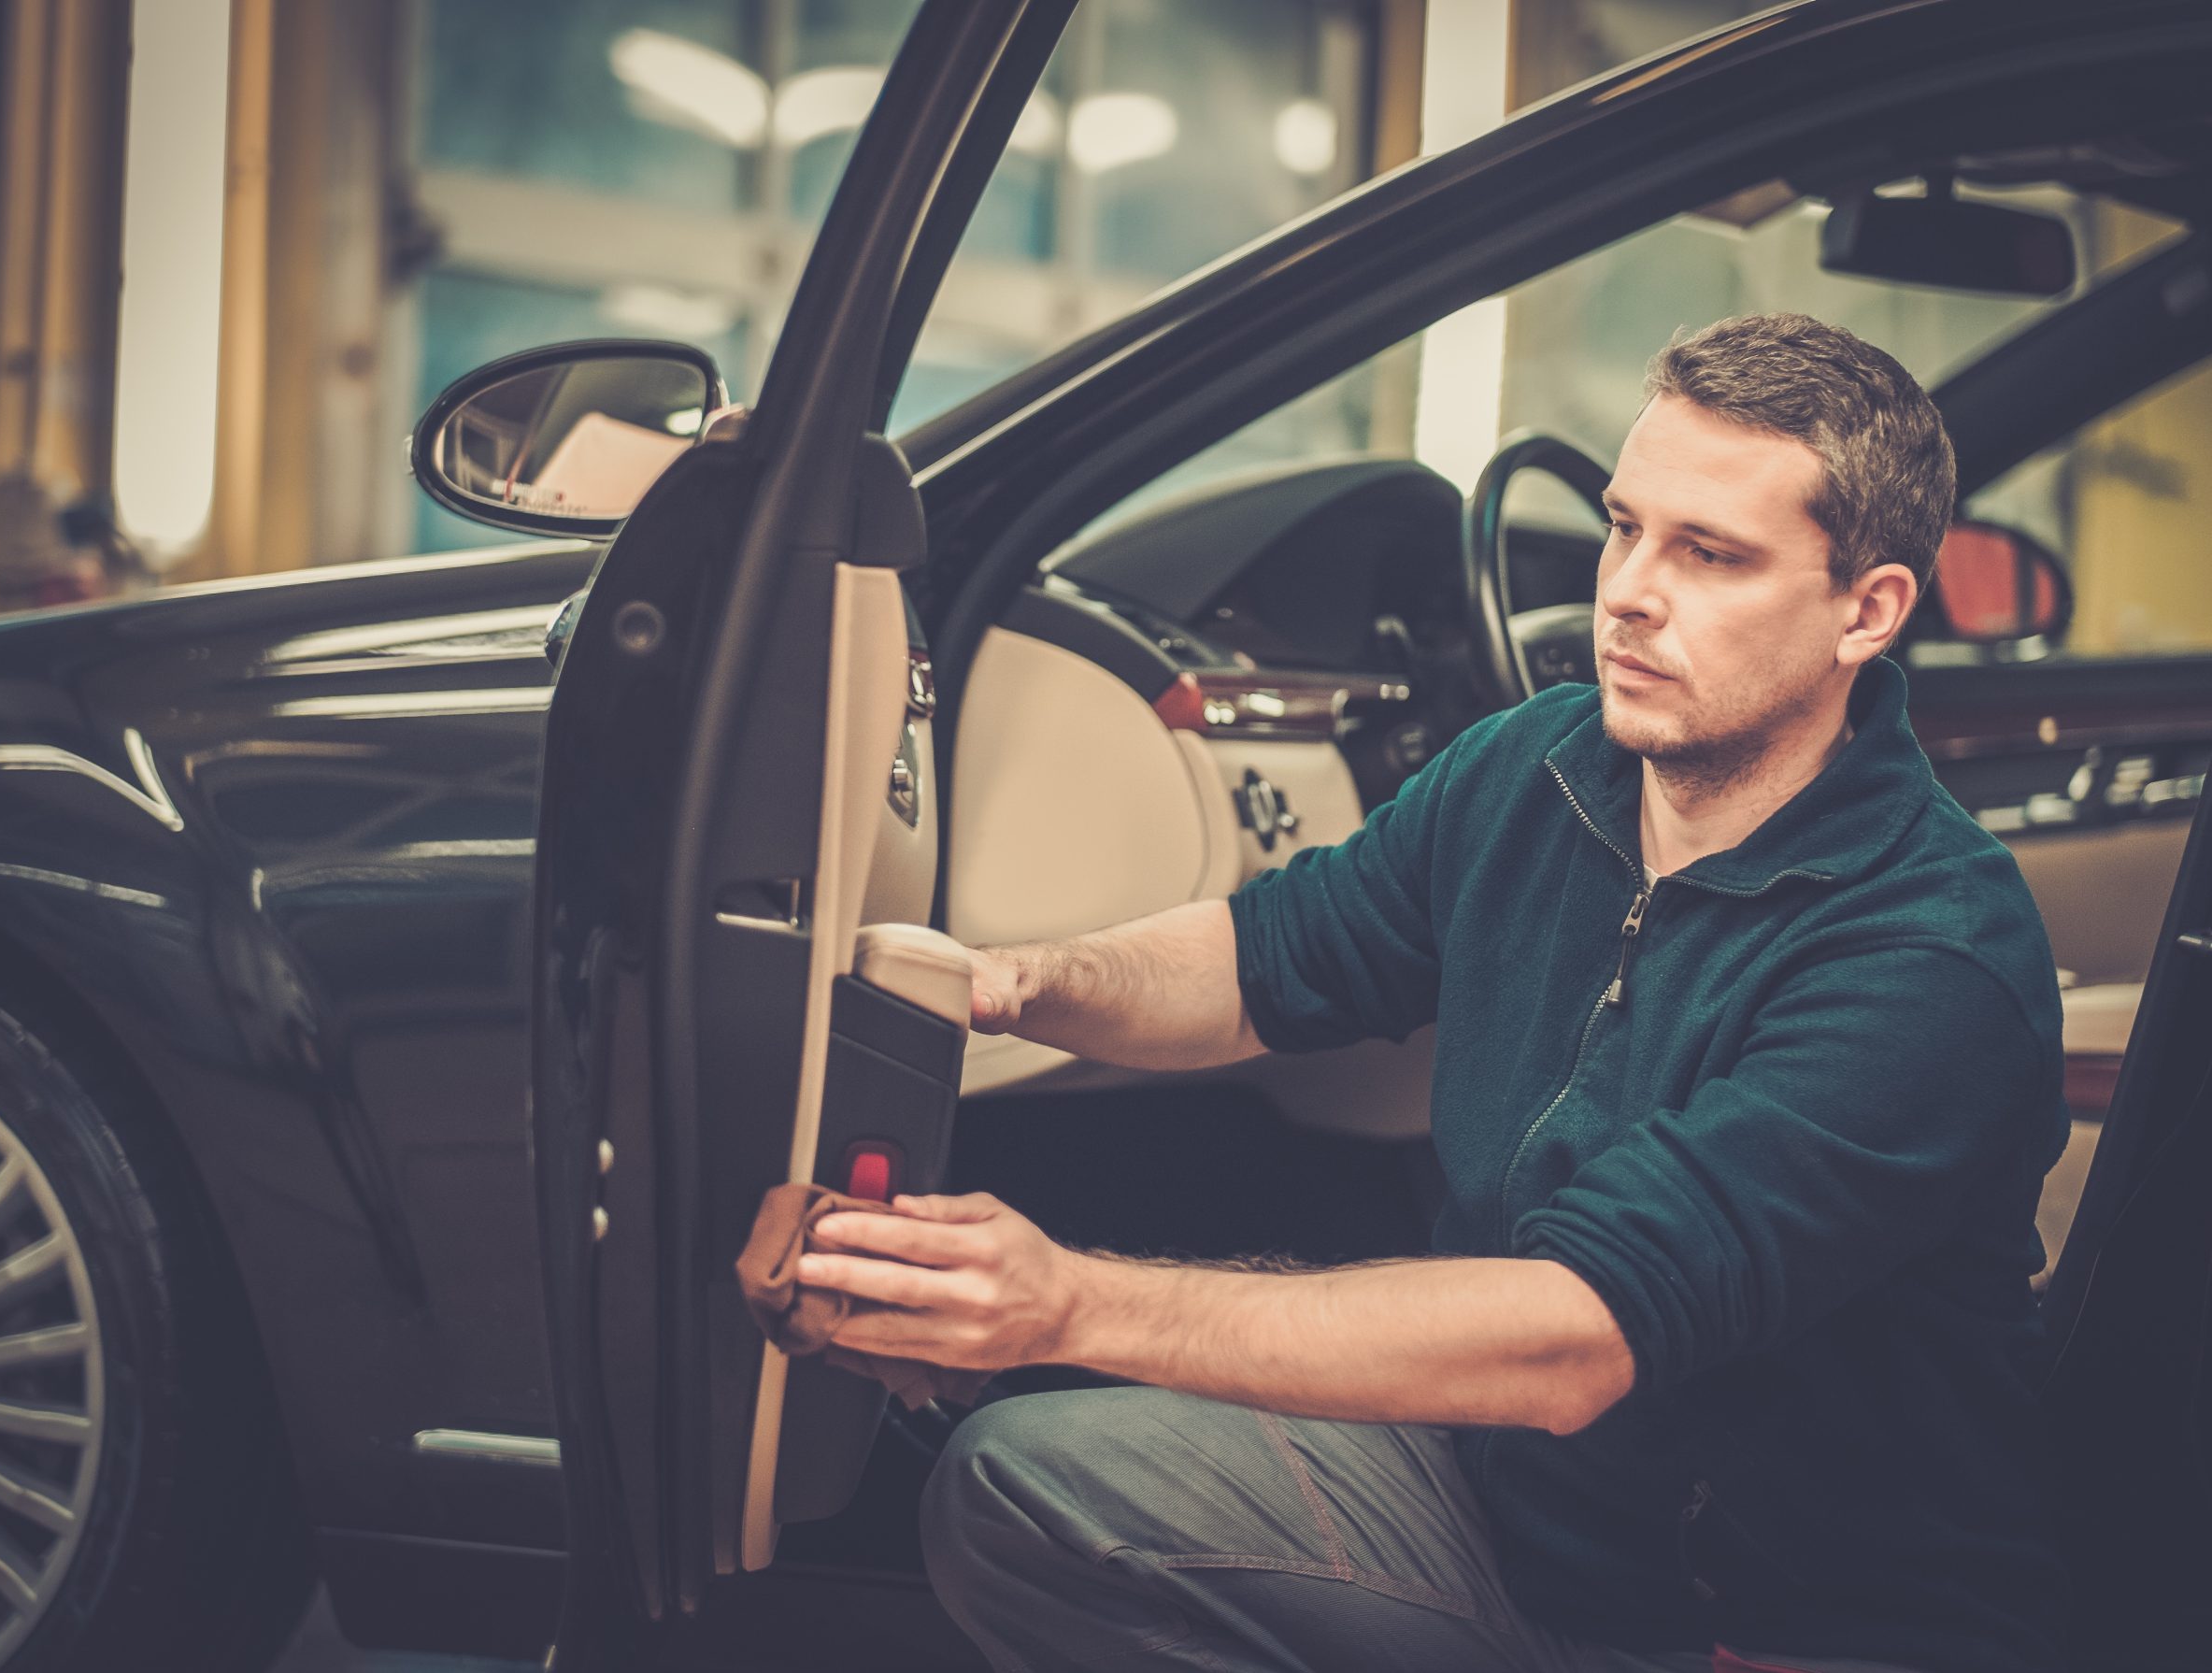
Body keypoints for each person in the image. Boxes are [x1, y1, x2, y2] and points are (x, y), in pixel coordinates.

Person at [792, 313, 2071, 1673]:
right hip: (1515, 1511)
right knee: (1021, 1487)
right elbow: (1265, 959)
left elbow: (1577, 1336)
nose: (1629, 592)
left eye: (1710, 554)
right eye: (1625, 528)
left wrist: (1065, 1303)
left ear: (1866, 610)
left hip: (1768, 1629)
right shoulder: (1541, 764)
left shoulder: (1929, 956)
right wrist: (1010, 981)